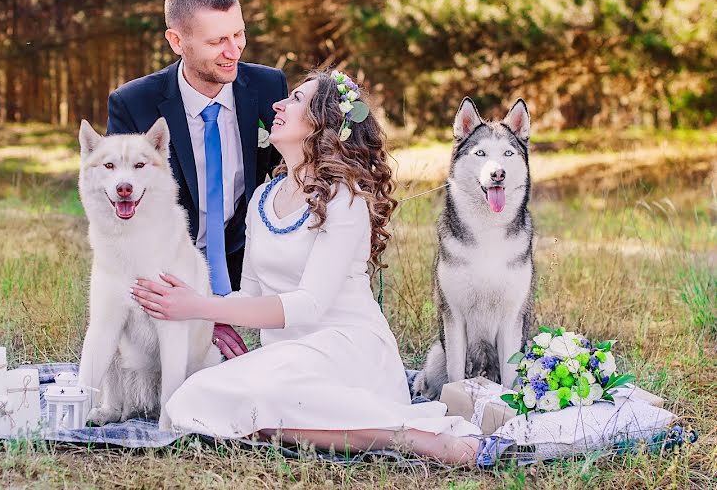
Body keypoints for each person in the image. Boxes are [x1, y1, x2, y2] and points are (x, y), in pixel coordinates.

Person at [130, 69, 492, 465]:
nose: (278, 105)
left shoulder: (344, 199)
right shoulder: (262, 199)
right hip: (288, 358)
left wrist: (200, 305)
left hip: (349, 352)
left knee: (229, 400)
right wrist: (194, 306)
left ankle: (412, 438)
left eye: (296, 100)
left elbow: (309, 305)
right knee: (190, 402)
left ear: (324, 122)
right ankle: (311, 420)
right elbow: (251, 295)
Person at [107, 0, 287, 358]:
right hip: (169, 258)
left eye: (238, 34)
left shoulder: (270, 88)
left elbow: (295, 174)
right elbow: (125, 224)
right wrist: (204, 313)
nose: (233, 50)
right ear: (177, 41)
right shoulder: (133, 105)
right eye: (216, 41)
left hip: (249, 258)